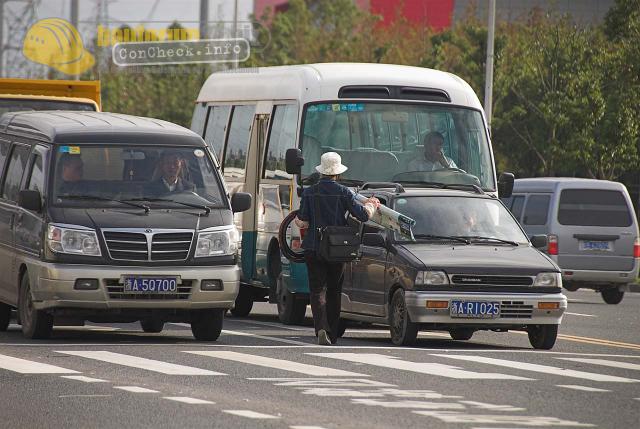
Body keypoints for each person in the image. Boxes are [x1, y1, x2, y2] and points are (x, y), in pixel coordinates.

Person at [295, 152, 380, 345]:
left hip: (313, 248)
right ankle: (332, 333)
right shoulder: (344, 192)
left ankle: (321, 329)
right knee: (334, 290)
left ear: (321, 172)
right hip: (336, 249)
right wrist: (371, 204)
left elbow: (302, 220)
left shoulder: (309, 192)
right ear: (337, 174)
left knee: (317, 290)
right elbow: (363, 216)